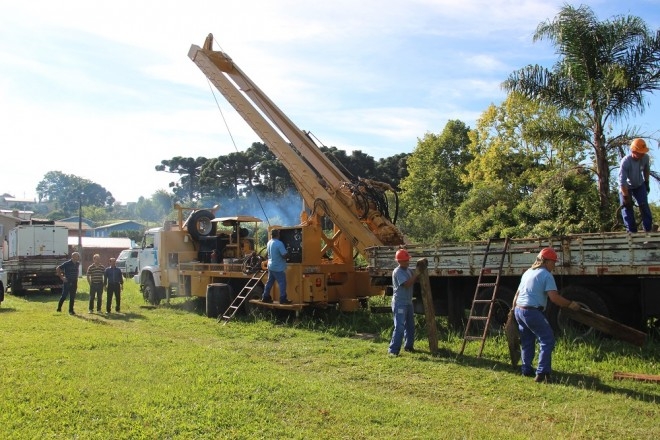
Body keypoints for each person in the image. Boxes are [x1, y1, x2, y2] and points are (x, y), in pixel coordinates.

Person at [514, 247, 581, 383]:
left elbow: (517, 294)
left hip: (519, 310)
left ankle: (526, 370)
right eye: (553, 262)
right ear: (545, 261)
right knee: (547, 339)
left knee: (527, 341)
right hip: (531, 311)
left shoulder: (528, 272)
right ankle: (542, 373)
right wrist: (570, 304)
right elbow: (554, 298)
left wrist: (513, 311)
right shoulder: (546, 275)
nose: (554, 266)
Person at [388, 249, 418, 356]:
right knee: (400, 327)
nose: (407, 262)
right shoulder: (398, 272)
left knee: (410, 326)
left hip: (408, 302)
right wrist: (416, 275)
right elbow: (407, 284)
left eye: (407, 260)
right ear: (399, 261)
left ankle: (409, 346)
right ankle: (393, 350)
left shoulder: (408, 270)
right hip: (400, 303)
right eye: (405, 260)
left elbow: (414, 278)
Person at [619, 138, 653, 232]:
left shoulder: (645, 157)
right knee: (627, 208)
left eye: (643, 152)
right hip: (626, 187)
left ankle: (648, 230)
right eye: (640, 152)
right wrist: (626, 197)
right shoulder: (626, 162)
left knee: (644, 205)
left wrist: (646, 182)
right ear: (633, 151)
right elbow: (622, 182)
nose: (642, 154)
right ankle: (631, 233)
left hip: (639, 185)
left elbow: (646, 169)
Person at [261, 229, 290, 304]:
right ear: (278, 235)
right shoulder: (279, 243)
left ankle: (265, 296)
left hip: (270, 266)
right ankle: (283, 299)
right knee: (282, 282)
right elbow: (284, 255)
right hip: (278, 267)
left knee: (269, 282)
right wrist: (288, 255)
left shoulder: (269, 242)